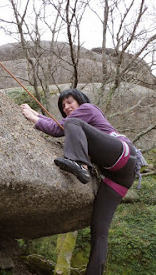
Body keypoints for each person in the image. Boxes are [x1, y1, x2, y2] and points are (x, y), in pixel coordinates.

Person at [21, 88, 145, 275]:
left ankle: (80, 165)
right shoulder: (75, 122)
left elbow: (59, 128)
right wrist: (37, 114)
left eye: (70, 102)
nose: (67, 107)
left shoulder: (88, 108)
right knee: (99, 229)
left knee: (72, 122)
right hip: (118, 176)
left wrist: (33, 118)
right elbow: (61, 125)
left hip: (123, 154)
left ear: (80, 101)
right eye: (63, 106)